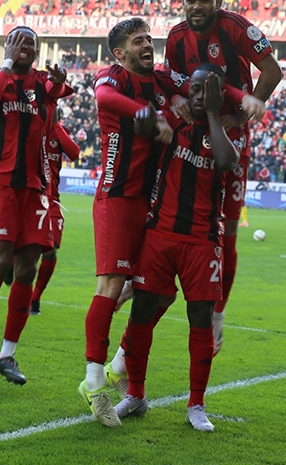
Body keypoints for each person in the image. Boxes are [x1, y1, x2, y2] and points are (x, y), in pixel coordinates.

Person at [115, 63, 240, 433]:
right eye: (196, 89)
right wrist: (143, 118)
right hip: (160, 235)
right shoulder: (176, 122)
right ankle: (135, 394)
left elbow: (226, 161)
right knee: (142, 314)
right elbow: (144, 130)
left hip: (202, 240)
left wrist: (215, 112)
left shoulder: (223, 130)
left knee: (200, 318)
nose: (201, 96)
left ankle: (197, 404)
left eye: (209, 90)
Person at [164, 0, 280, 356]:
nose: (196, 6)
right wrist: (177, 100)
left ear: (216, 0)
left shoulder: (236, 28)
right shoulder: (176, 36)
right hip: (192, 132)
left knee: (227, 227)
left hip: (231, 136)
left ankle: (217, 316)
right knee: (168, 206)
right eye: (190, 0)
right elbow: (173, 80)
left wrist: (242, 117)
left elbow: (273, 71)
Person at [79, 17, 184, 428]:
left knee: (162, 293)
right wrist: (150, 114)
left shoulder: (160, 82)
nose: (147, 45)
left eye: (149, 39)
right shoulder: (114, 78)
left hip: (151, 204)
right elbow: (104, 98)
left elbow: (199, 87)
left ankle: (118, 366)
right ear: (120, 53)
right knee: (108, 286)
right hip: (117, 198)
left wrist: (244, 98)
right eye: (138, 41)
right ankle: (93, 382)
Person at [0, 27, 73, 385]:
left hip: (34, 188)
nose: (26, 47)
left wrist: (59, 82)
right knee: (2, 259)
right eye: (19, 41)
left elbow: (57, 93)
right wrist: (7, 64)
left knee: (27, 268)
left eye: (32, 44)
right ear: (8, 46)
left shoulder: (43, 83)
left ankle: (6, 354)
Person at [30, 109, 80, 316]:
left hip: (52, 200)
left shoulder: (59, 132)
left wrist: (57, 125)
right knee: (30, 251)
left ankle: (35, 299)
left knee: (51, 250)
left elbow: (75, 153)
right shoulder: (32, 128)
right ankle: (21, 291)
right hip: (32, 195)